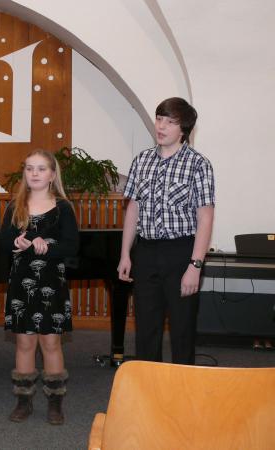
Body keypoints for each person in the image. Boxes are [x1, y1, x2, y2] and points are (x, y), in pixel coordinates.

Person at [117, 97, 215, 365]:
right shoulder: (141, 160)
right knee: (146, 330)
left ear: (183, 129)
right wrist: (125, 254)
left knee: (182, 330)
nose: (160, 126)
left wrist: (195, 265)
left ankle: (182, 389)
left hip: (181, 253)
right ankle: (150, 389)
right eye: (159, 119)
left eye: (170, 122)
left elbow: (205, 217)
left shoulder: (198, 164)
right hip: (146, 252)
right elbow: (133, 209)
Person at [0, 149, 79, 425]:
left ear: (52, 175)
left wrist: (48, 246)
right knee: (24, 342)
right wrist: (18, 242)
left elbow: (72, 246)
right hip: (21, 283)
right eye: (30, 168)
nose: (34, 173)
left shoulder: (63, 208)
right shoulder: (15, 206)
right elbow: (3, 243)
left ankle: (55, 402)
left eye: (41, 169)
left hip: (51, 282)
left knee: (50, 342)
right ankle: (23, 401)